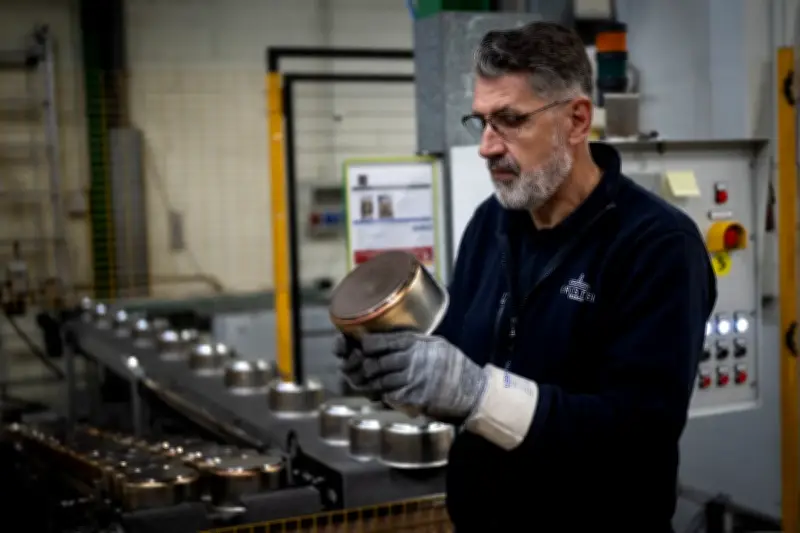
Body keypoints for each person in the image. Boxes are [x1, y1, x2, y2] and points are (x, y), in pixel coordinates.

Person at [335, 21, 717, 532]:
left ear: (577, 120)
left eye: (510, 120)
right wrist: (397, 374)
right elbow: (461, 357)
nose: (487, 147)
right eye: (483, 122)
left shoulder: (656, 245)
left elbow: (638, 432)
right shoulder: (491, 224)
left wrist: (476, 394)